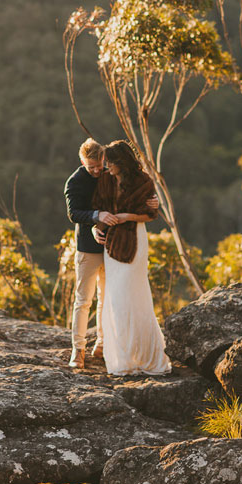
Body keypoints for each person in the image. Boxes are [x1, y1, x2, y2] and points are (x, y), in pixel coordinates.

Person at [93, 140, 172, 376]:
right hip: (112, 241)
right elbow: (97, 207)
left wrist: (128, 216)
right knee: (115, 298)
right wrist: (96, 227)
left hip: (134, 239)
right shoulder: (105, 180)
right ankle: (123, 358)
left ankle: (146, 356)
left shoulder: (142, 181)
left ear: (121, 163)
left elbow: (151, 214)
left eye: (110, 162)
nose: (107, 165)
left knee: (134, 295)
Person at [64, 139, 118, 369]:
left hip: (113, 246)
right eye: (91, 166)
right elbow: (73, 213)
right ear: (82, 161)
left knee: (107, 299)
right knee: (83, 300)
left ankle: (103, 345)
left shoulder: (110, 175)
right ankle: (78, 350)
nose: (97, 170)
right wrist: (96, 217)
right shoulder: (74, 182)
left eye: (99, 165)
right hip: (87, 247)